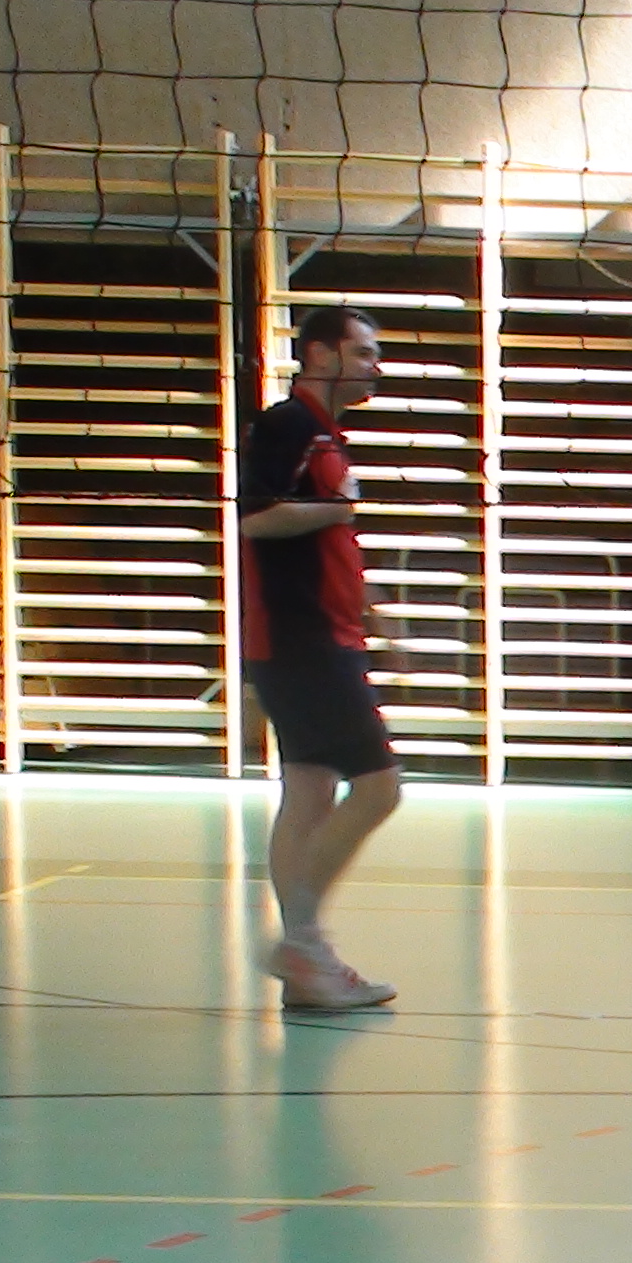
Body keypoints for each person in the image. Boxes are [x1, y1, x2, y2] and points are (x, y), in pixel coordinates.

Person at [237, 305, 401, 1010]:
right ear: (319, 355)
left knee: (308, 791)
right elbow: (256, 516)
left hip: (320, 637)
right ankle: (301, 942)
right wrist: (336, 511)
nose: (375, 366)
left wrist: (371, 607)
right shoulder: (287, 426)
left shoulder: (327, 437)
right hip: (301, 643)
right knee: (379, 788)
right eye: (362, 352)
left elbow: (323, 541)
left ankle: (308, 961)